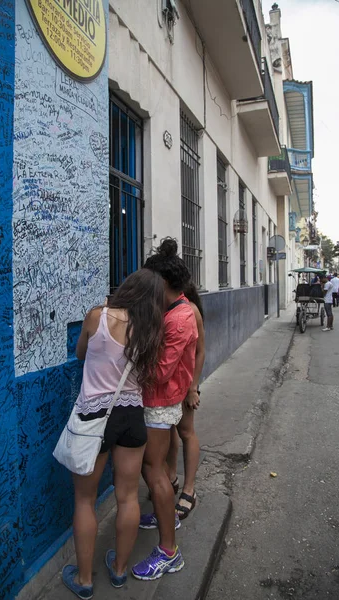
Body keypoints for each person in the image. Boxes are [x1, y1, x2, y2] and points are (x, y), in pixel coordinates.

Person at [62, 269, 166, 598]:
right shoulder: (149, 330)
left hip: (95, 418)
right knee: (128, 497)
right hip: (132, 418)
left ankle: (84, 580)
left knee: (84, 499)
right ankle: (119, 570)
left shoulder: (98, 315)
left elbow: (81, 353)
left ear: (127, 289)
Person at [131, 238, 198, 582]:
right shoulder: (175, 311)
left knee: (153, 471)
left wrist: (131, 355)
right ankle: (164, 513)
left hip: (160, 402)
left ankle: (169, 553)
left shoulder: (180, 319)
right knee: (153, 469)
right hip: (162, 400)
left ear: (164, 283)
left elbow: (159, 373)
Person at [166, 280, 205, 520]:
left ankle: (189, 490)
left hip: (185, 384)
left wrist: (193, 387)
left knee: (186, 432)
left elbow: (201, 351)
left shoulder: (191, 310)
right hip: (167, 386)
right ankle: (171, 476)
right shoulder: (165, 307)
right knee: (169, 430)